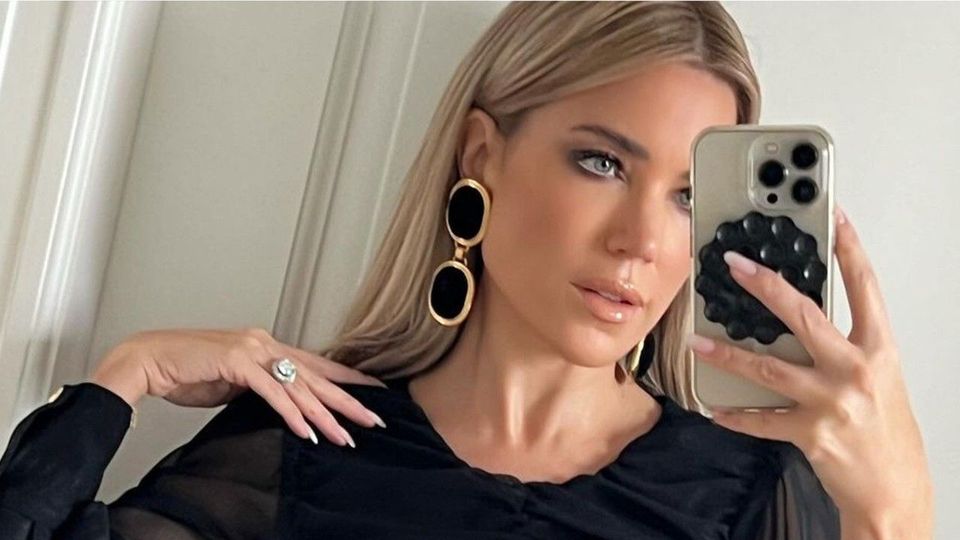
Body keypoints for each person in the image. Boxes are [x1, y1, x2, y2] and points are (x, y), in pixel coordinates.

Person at [0, 2, 933, 539]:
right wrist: (125, 378)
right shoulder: (304, 448)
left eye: (689, 197)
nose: (642, 242)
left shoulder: (749, 491)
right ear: (482, 153)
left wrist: (895, 511)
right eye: (603, 163)